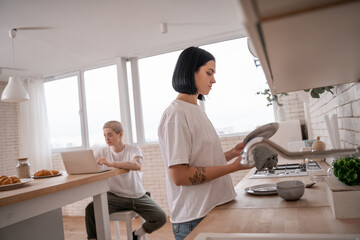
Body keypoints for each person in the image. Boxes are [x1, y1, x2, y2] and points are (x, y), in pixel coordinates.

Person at [158, 46, 252, 240]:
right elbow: (181, 175)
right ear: (190, 71)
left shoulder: (196, 110)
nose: (214, 80)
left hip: (212, 208)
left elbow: (197, 158)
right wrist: (234, 167)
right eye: (209, 73)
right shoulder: (176, 114)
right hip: (195, 217)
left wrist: (230, 153)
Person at [85, 120, 166, 240]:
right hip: (114, 196)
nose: (107, 138)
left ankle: (137, 234)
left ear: (120, 134)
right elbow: (89, 168)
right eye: (105, 135)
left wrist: (111, 163)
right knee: (91, 209)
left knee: (161, 217)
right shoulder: (102, 152)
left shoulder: (133, 149)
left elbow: (137, 165)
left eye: (110, 134)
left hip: (137, 196)